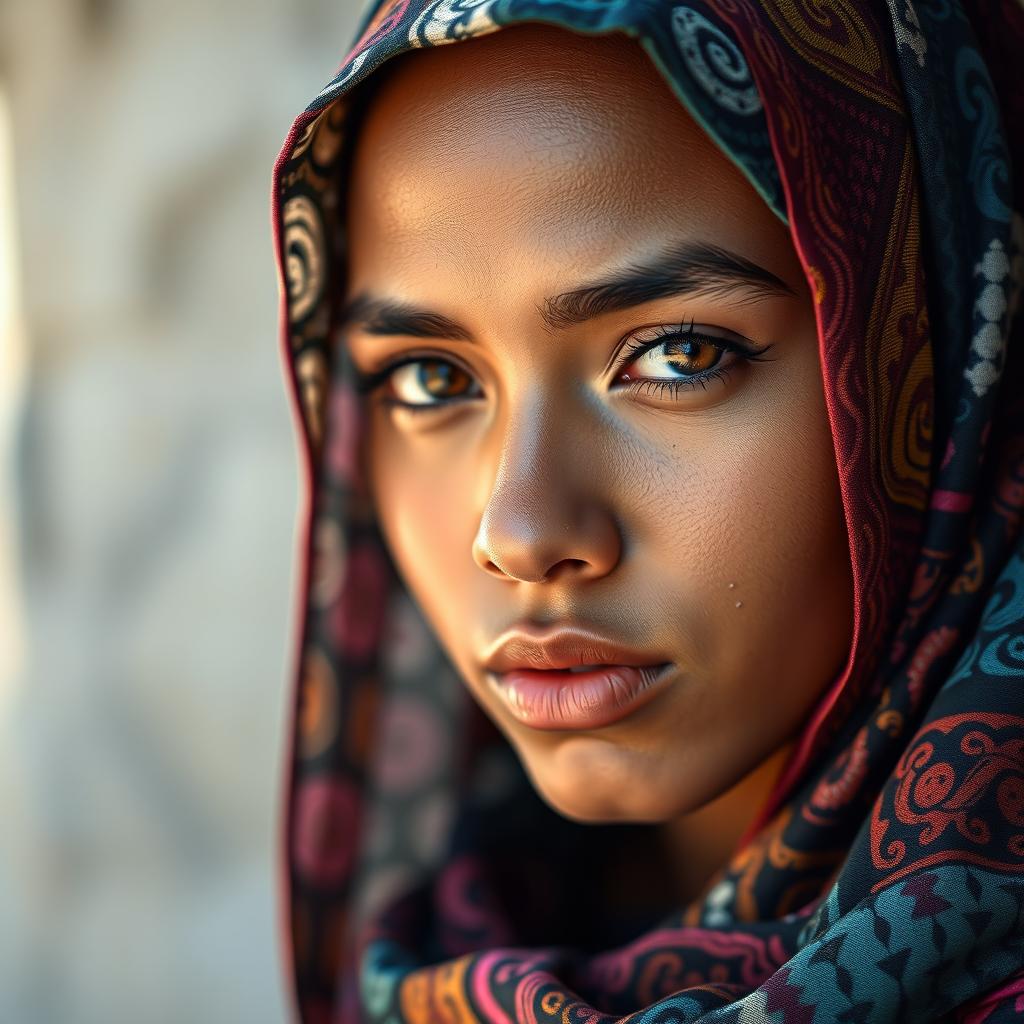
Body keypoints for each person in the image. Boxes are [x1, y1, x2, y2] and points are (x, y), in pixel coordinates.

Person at [272, 0, 1024, 1020]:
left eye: (680, 355)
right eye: (428, 379)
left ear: (935, 348)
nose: (521, 535)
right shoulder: (451, 947)